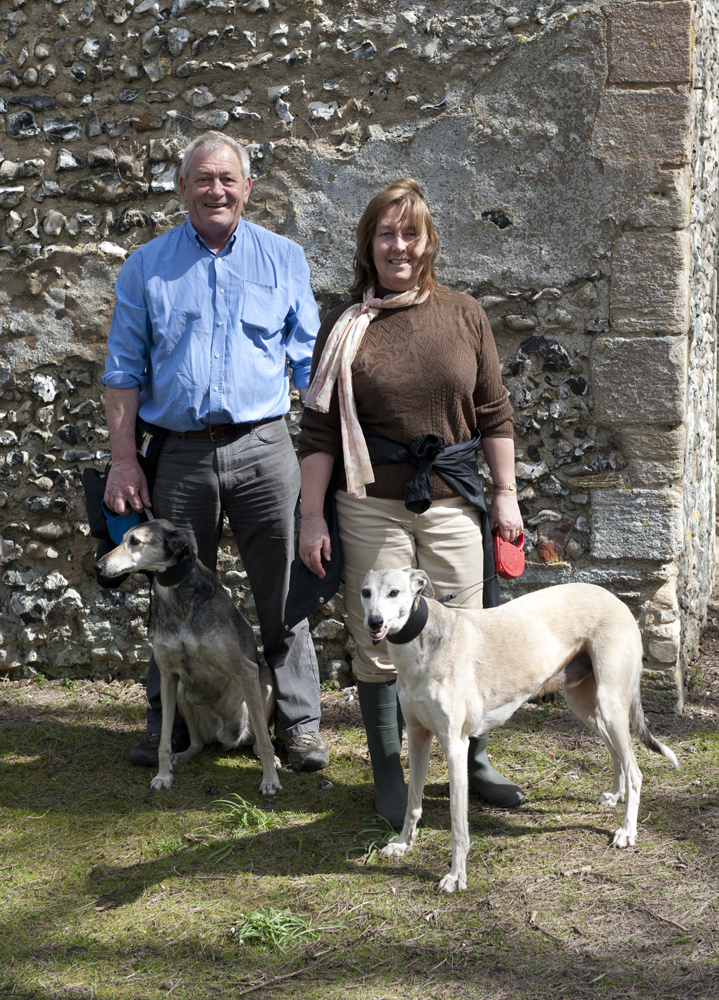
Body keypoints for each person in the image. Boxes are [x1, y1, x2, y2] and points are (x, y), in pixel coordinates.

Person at [296, 177, 524, 824]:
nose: (398, 245)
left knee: (465, 635)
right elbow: (317, 429)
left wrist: (505, 496)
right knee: (377, 642)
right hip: (368, 501)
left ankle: (471, 762)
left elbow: (493, 414)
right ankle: (390, 777)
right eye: (385, 233)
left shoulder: (463, 314)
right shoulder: (342, 326)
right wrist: (312, 514)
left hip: (452, 498)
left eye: (410, 233)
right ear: (368, 245)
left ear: (427, 243)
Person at [101, 131, 329, 773]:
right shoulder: (146, 266)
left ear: (248, 187)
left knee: (284, 589)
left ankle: (299, 725)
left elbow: (310, 364)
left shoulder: (285, 259)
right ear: (182, 189)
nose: (216, 190)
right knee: (166, 590)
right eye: (202, 179)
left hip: (265, 448)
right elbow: (122, 371)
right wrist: (124, 460)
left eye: (228, 179)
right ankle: (164, 723)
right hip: (177, 455)